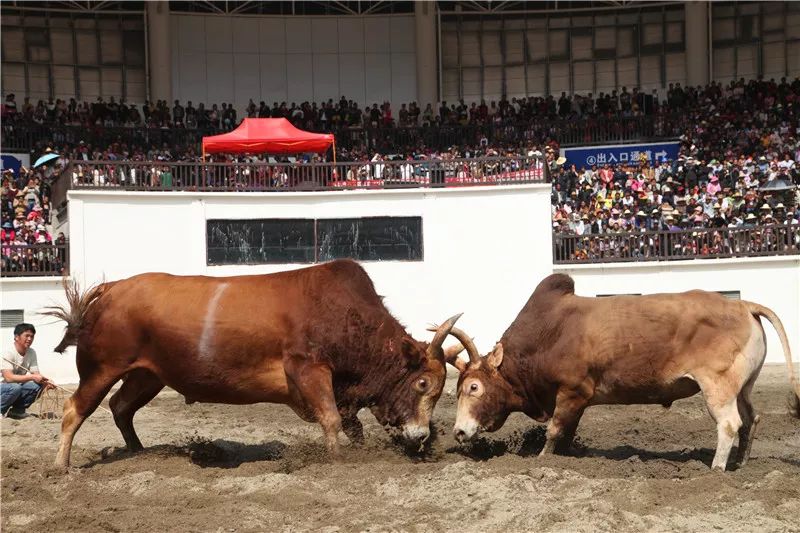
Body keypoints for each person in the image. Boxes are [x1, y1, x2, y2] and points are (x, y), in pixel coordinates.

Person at [1, 323, 53, 418]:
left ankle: (17, 411)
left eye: (32, 336)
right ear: (17, 337)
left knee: (38, 385)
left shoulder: (31, 352)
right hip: (4, 387)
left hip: (15, 388)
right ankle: (1, 410)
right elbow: (8, 378)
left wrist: (46, 381)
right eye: (27, 336)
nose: (30, 339)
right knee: (15, 387)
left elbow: (36, 374)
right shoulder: (7, 352)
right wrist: (33, 377)